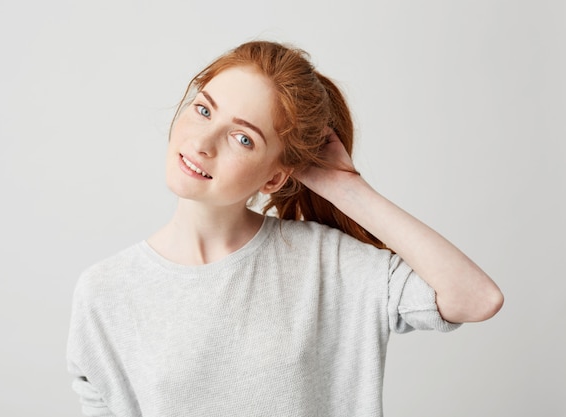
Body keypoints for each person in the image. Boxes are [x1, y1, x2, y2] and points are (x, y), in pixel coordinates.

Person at [67, 40, 503, 417]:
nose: (202, 143)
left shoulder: (325, 264)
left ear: (275, 178)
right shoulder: (106, 292)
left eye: (243, 138)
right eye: (203, 110)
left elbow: (477, 298)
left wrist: (347, 189)